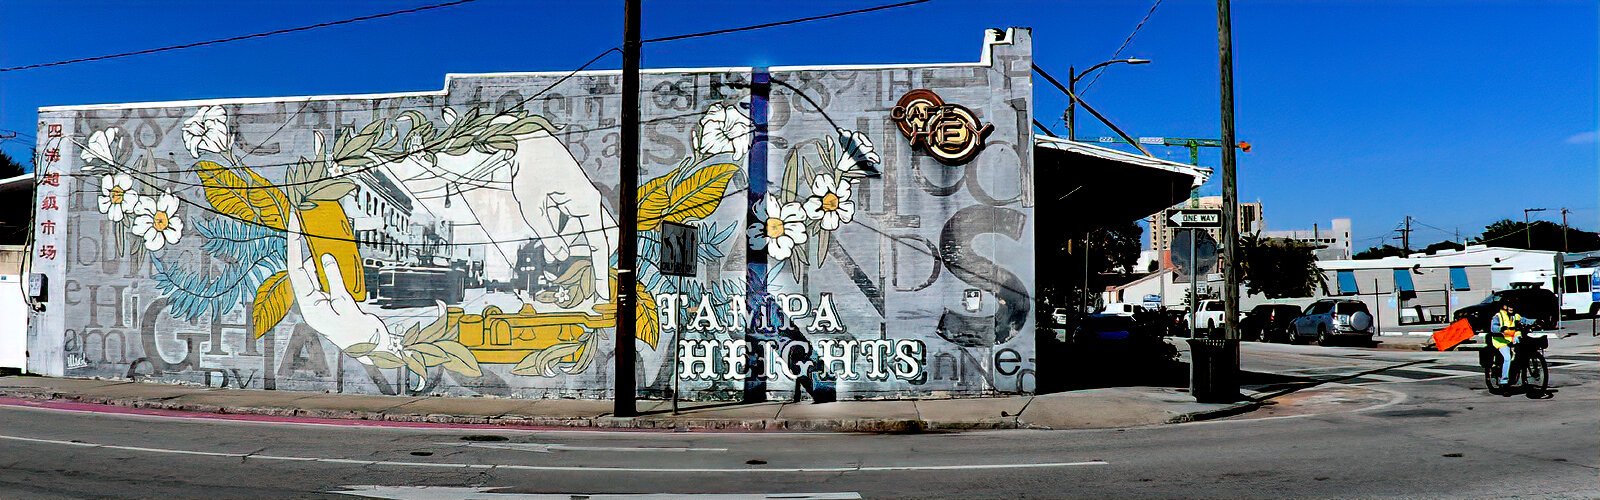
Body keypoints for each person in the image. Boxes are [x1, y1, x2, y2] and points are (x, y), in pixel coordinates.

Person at [1488, 302, 1536, 386]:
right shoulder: (1498, 316)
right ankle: (1504, 381)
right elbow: (1493, 327)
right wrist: (1500, 328)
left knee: (1523, 353)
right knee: (1507, 358)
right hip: (1501, 341)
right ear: (1504, 306)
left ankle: (1520, 373)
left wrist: (1537, 321)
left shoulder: (1516, 316)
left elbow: (1525, 321)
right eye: (1509, 306)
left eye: (1513, 306)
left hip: (1513, 340)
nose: (1511, 308)